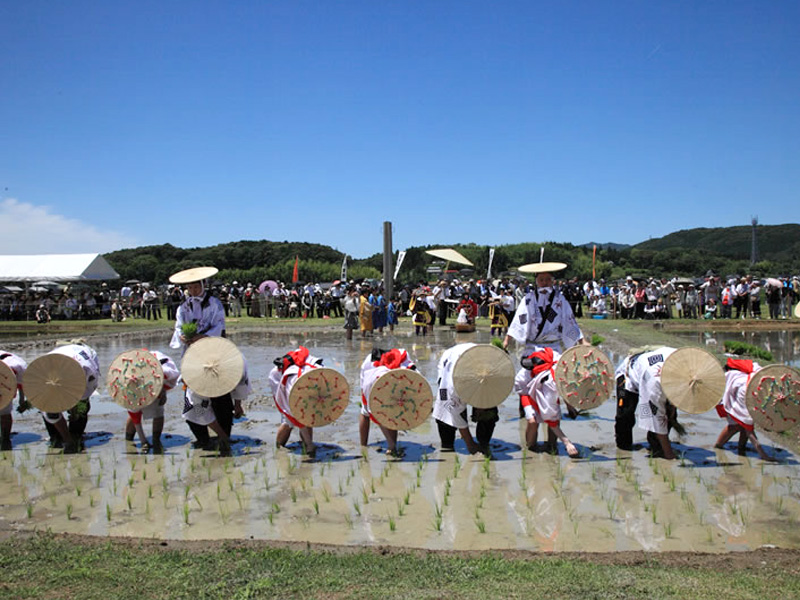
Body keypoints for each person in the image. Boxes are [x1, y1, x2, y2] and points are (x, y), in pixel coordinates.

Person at [503, 265, 584, 355]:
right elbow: (518, 321)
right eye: (541, 280)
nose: (544, 282)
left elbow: (569, 321)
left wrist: (582, 341)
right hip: (532, 349)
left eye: (548, 279)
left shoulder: (560, 299)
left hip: (554, 349)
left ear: (552, 281)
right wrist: (507, 340)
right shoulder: (529, 299)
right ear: (536, 281)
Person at [514, 348, 580, 457]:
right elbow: (521, 389)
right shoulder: (523, 375)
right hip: (526, 391)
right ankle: (530, 447)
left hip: (547, 389)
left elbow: (551, 418)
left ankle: (552, 445)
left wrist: (570, 406)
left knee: (555, 416)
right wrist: (567, 442)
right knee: (532, 421)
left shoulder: (554, 377)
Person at [619, 346, 678, 459]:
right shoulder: (655, 385)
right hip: (627, 377)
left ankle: (656, 445)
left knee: (671, 416)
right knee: (625, 412)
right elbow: (656, 418)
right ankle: (624, 448)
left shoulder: (682, 359)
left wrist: (672, 407)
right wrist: (669, 454)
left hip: (650, 370)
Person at [42, 341, 100, 453]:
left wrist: (74, 412)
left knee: (80, 409)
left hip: (84, 357)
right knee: (51, 413)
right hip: (58, 361)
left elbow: (83, 394)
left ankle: (76, 435)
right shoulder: (42, 379)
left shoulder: (86, 370)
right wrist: (66, 440)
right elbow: (52, 415)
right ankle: (56, 437)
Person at [182, 360, 249, 456]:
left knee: (224, 410)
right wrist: (222, 435)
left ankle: (223, 438)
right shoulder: (196, 389)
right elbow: (203, 415)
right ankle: (205, 440)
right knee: (196, 422)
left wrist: (238, 404)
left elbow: (241, 385)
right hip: (196, 404)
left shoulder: (237, 366)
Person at [714, 357, 776, 461]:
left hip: (737, 384)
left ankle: (741, 449)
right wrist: (763, 454)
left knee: (744, 423)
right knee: (736, 425)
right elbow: (749, 429)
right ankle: (718, 447)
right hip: (728, 390)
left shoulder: (763, 380)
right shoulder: (746, 393)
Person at [359, 348, 416, 456]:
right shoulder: (370, 369)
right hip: (372, 369)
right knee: (367, 409)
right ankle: (364, 445)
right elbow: (374, 408)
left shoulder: (406, 367)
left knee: (392, 408)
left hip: (394, 370)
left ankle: (392, 444)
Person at [269, 346, 323, 456]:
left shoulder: (319, 371)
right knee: (289, 419)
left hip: (302, 381)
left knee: (308, 416)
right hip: (279, 378)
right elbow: (296, 413)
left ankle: (306, 445)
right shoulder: (293, 380)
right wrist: (310, 445)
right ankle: (279, 447)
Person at [432, 343, 484, 455]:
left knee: (488, 414)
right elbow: (455, 411)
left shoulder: (490, 371)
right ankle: (448, 445)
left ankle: (484, 442)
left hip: (472, 356)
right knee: (445, 411)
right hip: (449, 365)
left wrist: (480, 406)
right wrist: (470, 443)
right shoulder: (452, 385)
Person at [124, 350, 180, 454]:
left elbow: (169, 379)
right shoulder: (128, 373)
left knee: (157, 412)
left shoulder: (165, 370)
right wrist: (143, 441)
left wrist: (162, 391)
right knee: (134, 413)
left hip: (156, 383)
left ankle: (156, 440)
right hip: (133, 386)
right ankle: (129, 439)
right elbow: (134, 414)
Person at [0, 351, 28, 451]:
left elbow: (23, 385)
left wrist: (22, 400)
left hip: (7, 381)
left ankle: (5, 439)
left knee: (4, 411)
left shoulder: (19, 366)